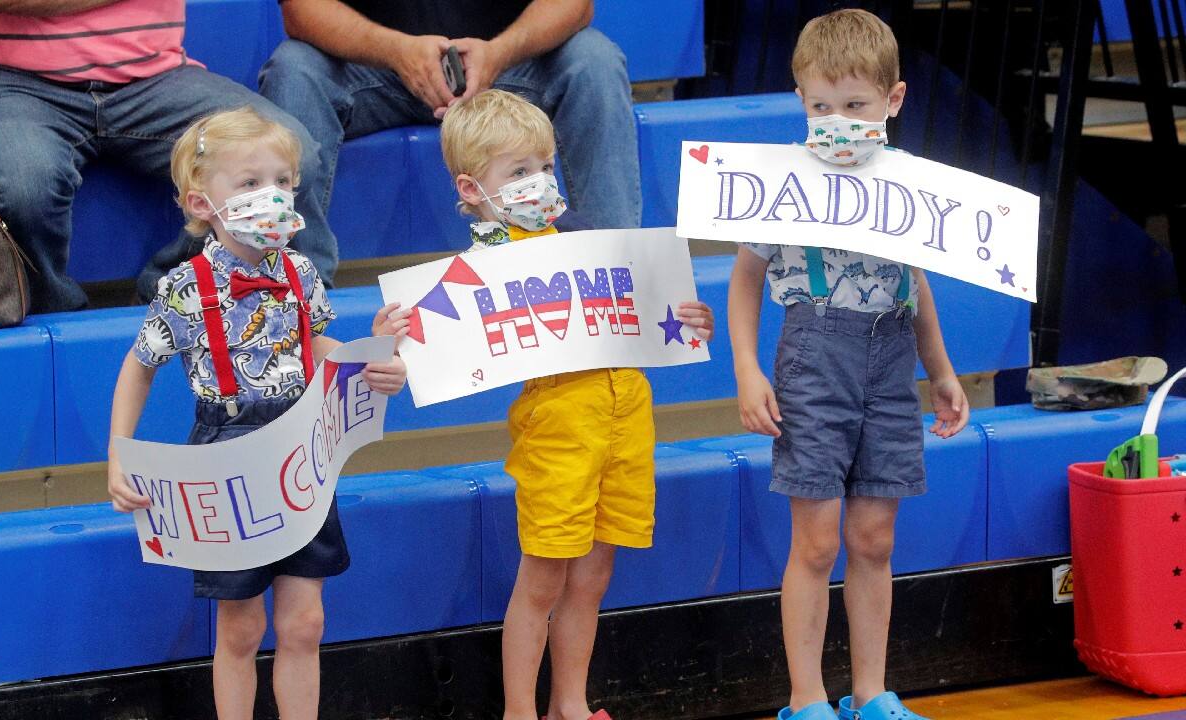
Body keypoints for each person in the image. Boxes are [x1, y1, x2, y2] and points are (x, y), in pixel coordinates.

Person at [105, 108, 406, 720]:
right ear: (201, 201)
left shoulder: (301, 273)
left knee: (305, 621)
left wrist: (368, 361)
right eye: (249, 184)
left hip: (301, 443)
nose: (270, 196)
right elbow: (139, 365)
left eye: (282, 182)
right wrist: (119, 452)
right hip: (226, 448)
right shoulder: (186, 288)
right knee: (240, 627)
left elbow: (314, 345)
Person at [727, 10, 971, 720]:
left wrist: (943, 370)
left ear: (893, 101)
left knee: (874, 536)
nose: (837, 121)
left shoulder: (906, 184)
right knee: (818, 539)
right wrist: (747, 369)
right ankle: (806, 700)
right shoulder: (784, 182)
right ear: (800, 101)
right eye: (820, 107)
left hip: (891, 361)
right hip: (814, 358)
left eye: (856, 106)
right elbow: (744, 283)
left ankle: (872, 694)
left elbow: (916, 282)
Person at [440, 89, 712, 720]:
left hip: (625, 410)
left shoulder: (585, 245)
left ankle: (569, 703)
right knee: (543, 579)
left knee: (592, 576)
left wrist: (687, 316)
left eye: (543, 167)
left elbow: (653, 318)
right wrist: (402, 334)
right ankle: (518, 710)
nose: (538, 182)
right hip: (560, 424)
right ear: (473, 187)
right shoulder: (483, 265)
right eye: (518, 172)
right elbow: (437, 332)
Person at [0, 0, 336, 313]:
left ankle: (172, 292)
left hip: (156, 77)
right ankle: (60, 327)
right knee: (25, 188)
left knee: (286, 155)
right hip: (12, 82)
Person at [257, 0, 641, 243]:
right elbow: (302, 10)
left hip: (503, 61)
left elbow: (575, 6)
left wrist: (499, 53)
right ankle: (294, 288)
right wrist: (395, 51)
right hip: (371, 66)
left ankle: (620, 272)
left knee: (595, 61)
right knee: (294, 69)